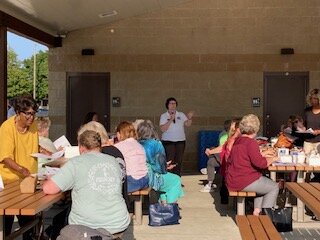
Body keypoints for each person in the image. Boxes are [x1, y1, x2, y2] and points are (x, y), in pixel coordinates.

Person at [43, 130, 130, 239]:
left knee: (60, 224)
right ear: (99, 146)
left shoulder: (76, 162)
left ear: (81, 147)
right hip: (118, 222)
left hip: (86, 225)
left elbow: (48, 188)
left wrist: (51, 178)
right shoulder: (113, 161)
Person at [0, 95, 39, 239]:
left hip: (28, 181)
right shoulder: (7, 127)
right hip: (10, 181)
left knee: (29, 223)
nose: (31, 117)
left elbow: (33, 146)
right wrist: (22, 169)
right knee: (7, 226)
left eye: (34, 113)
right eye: (28, 113)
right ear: (18, 113)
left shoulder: (32, 125)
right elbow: (5, 157)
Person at [225, 114, 279, 216]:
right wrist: (273, 158)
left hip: (233, 178)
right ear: (256, 128)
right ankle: (266, 216)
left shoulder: (239, 141)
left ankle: (257, 210)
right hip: (243, 180)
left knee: (264, 186)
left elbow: (247, 157)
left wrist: (263, 155)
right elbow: (261, 164)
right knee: (273, 187)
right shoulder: (251, 143)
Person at [136, 120, 184, 203]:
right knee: (176, 180)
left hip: (137, 177)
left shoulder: (136, 143)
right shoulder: (156, 144)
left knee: (165, 183)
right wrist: (165, 166)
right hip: (150, 178)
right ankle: (170, 206)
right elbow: (161, 168)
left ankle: (164, 205)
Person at [160, 97, 194, 176]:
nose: (173, 105)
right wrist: (171, 119)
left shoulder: (181, 114)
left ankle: (177, 179)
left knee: (178, 161)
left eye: (174, 103)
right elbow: (163, 129)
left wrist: (189, 118)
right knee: (169, 161)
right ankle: (169, 180)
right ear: (167, 105)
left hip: (180, 141)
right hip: (168, 142)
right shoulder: (164, 116)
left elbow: (187, 124)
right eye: (171, 103)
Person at [114, 121, 149, 193]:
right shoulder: (138, 145)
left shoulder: (120, 146)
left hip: (132, 181)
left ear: (119, 133)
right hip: (145, 180)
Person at [200, 120, 232, 192]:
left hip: (230, 159)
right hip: (223, 157)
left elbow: (222, 148)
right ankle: (209, 184)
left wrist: (211, 151)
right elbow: (222, 148)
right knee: (211, 162)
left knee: (211, 150)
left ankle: (210, 173)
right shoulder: (223, 135)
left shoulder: (232, 136)